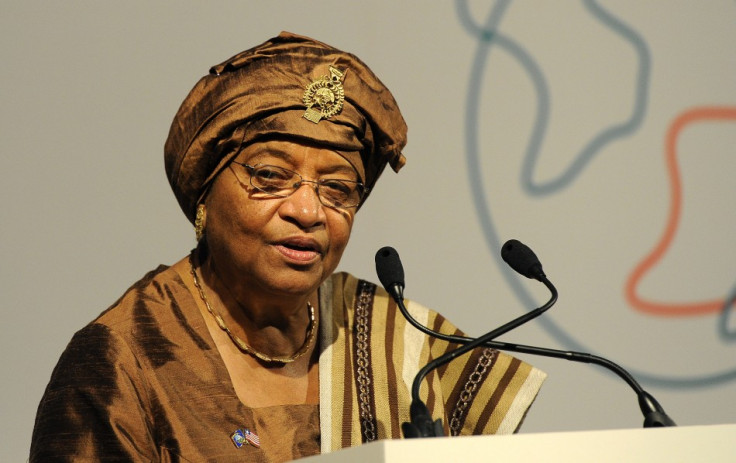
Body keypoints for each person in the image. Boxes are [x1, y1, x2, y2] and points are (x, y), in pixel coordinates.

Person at [30, 32, 546, 462]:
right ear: (204, 193)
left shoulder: (403, 346)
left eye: (337, 189)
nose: (308, 211)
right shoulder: (124, 358)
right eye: (271, 177)